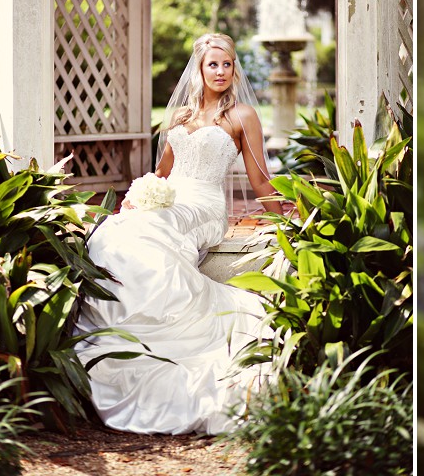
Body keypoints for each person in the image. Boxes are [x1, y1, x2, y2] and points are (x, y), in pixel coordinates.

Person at [73, 33, 289, 435]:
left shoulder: (242, 115)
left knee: (155, 227)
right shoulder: (180, 118)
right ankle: (132, 330)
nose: (221, 72)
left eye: (227, 64)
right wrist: (139, 197)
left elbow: (260, 181)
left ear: (234, 69)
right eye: (213, 65)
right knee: (117, 231)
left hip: (205, 206)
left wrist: (288, 224)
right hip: (170, 200)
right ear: (200, 69)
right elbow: (162, 175)